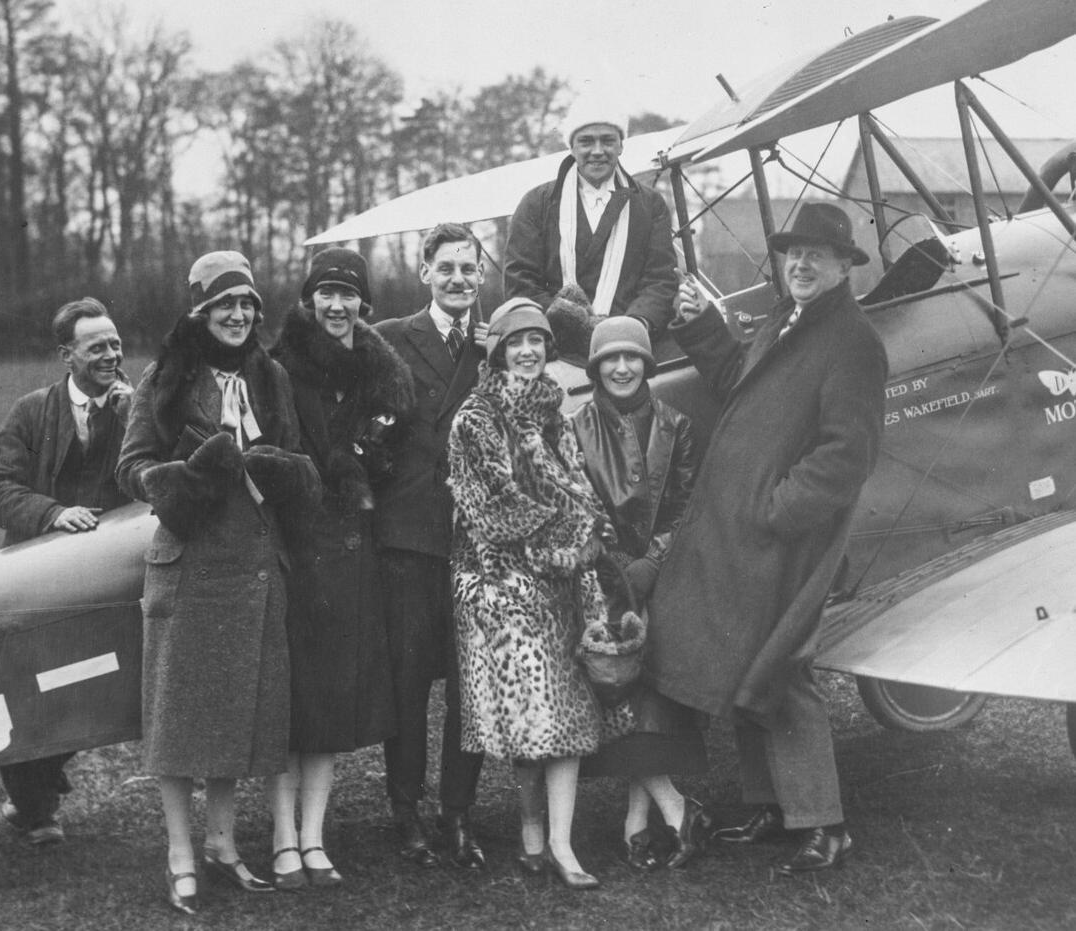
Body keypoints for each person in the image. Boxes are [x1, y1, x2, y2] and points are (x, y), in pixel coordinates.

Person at [649, 202, 887, 874]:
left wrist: (775, 508)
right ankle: (775, 807)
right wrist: (700, 326)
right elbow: (736, 385)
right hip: (740, 532)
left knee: (783, 668)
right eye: (793, 253)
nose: (802, 264)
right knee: (743, 662)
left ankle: (826, 824)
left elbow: (848, 453)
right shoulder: (789, 321)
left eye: (818, 254)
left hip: (785, 538)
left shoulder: (852, 341)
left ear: (845, 266)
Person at [116, 251, 320, 915]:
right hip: (191, 567)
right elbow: (133, 466)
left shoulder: (271, 376)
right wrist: (194, 474)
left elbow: (300, 461)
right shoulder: (166, 376)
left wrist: (273, 465)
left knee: (238, 713)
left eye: (247, 305)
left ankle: (224, 844)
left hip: (257, 569)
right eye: (222, 305)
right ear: (200, 312)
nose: (237, 316)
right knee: (180, 719)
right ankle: (181, 852)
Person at [448, 298, 609, 890]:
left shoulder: (554, 414)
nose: (527, 352)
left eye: (537, 342)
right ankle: (530, 827)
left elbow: (578, 490)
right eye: (516, 343)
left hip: (559, 580)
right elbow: (492, 508)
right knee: (529, 716)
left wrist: (580, 537)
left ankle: (560, 844)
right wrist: (563, 539)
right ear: (497, 351)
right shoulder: (475, 418)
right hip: (501, 585)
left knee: (563, 712)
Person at [268, 248, 415, 888]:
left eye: (347, 295)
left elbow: (390, 448)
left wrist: (366, 454)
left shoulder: (378, 375)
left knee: (327, 700)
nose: (336, 305)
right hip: (294, 545)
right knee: (288, 700)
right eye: (325, 293)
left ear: (365, 305)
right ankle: (280, 840)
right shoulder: (278, 366)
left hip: (350, 546)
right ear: (308, 302)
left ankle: (315, 837)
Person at [0, 296, 133, 846]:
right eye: (96, 348)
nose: (111, 355)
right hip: (36, 579)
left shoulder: (134, 405)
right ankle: (35, 804)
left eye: (115, 344)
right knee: (25, 688)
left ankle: (38, 788)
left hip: (107, 580)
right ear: (66, 354)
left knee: (95, 685)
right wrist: (51, 513)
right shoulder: (31, 411)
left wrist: (138, 415)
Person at [570, 316, 711, 871]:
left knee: (651, 696)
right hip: (604, 578)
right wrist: (615, 564)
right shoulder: (577, 426)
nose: (622, 368)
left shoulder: (678, 425)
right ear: (596, 367)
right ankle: (675, 807)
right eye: (611, 359)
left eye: (633, 358)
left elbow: (687, 502)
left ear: (648, 365)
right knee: (618, 692)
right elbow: (579, 503)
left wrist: (656, 559)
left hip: (664, 576)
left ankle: (637, 817)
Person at [372, 223, 489, 869]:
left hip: (474, 540)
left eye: (469, 269)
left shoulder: (497, 343)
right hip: (409, 537)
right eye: (446, 267)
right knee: (409, 682)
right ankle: (406, 808)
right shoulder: (392, 337)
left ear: (481, 274)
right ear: (425, 271)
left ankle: (458, 811)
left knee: (470, 687)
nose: (458, 280)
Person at [503, 94, 679, 355]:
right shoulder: (536, 204)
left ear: (621, 145)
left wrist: (631, 327)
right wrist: (574, 324)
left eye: (607, 140)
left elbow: (660, 280)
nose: (597, 151)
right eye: (586, 141)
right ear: (571, 147)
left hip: (629, 347)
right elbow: (521, 284)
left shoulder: (650, 204)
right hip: (556, 348)